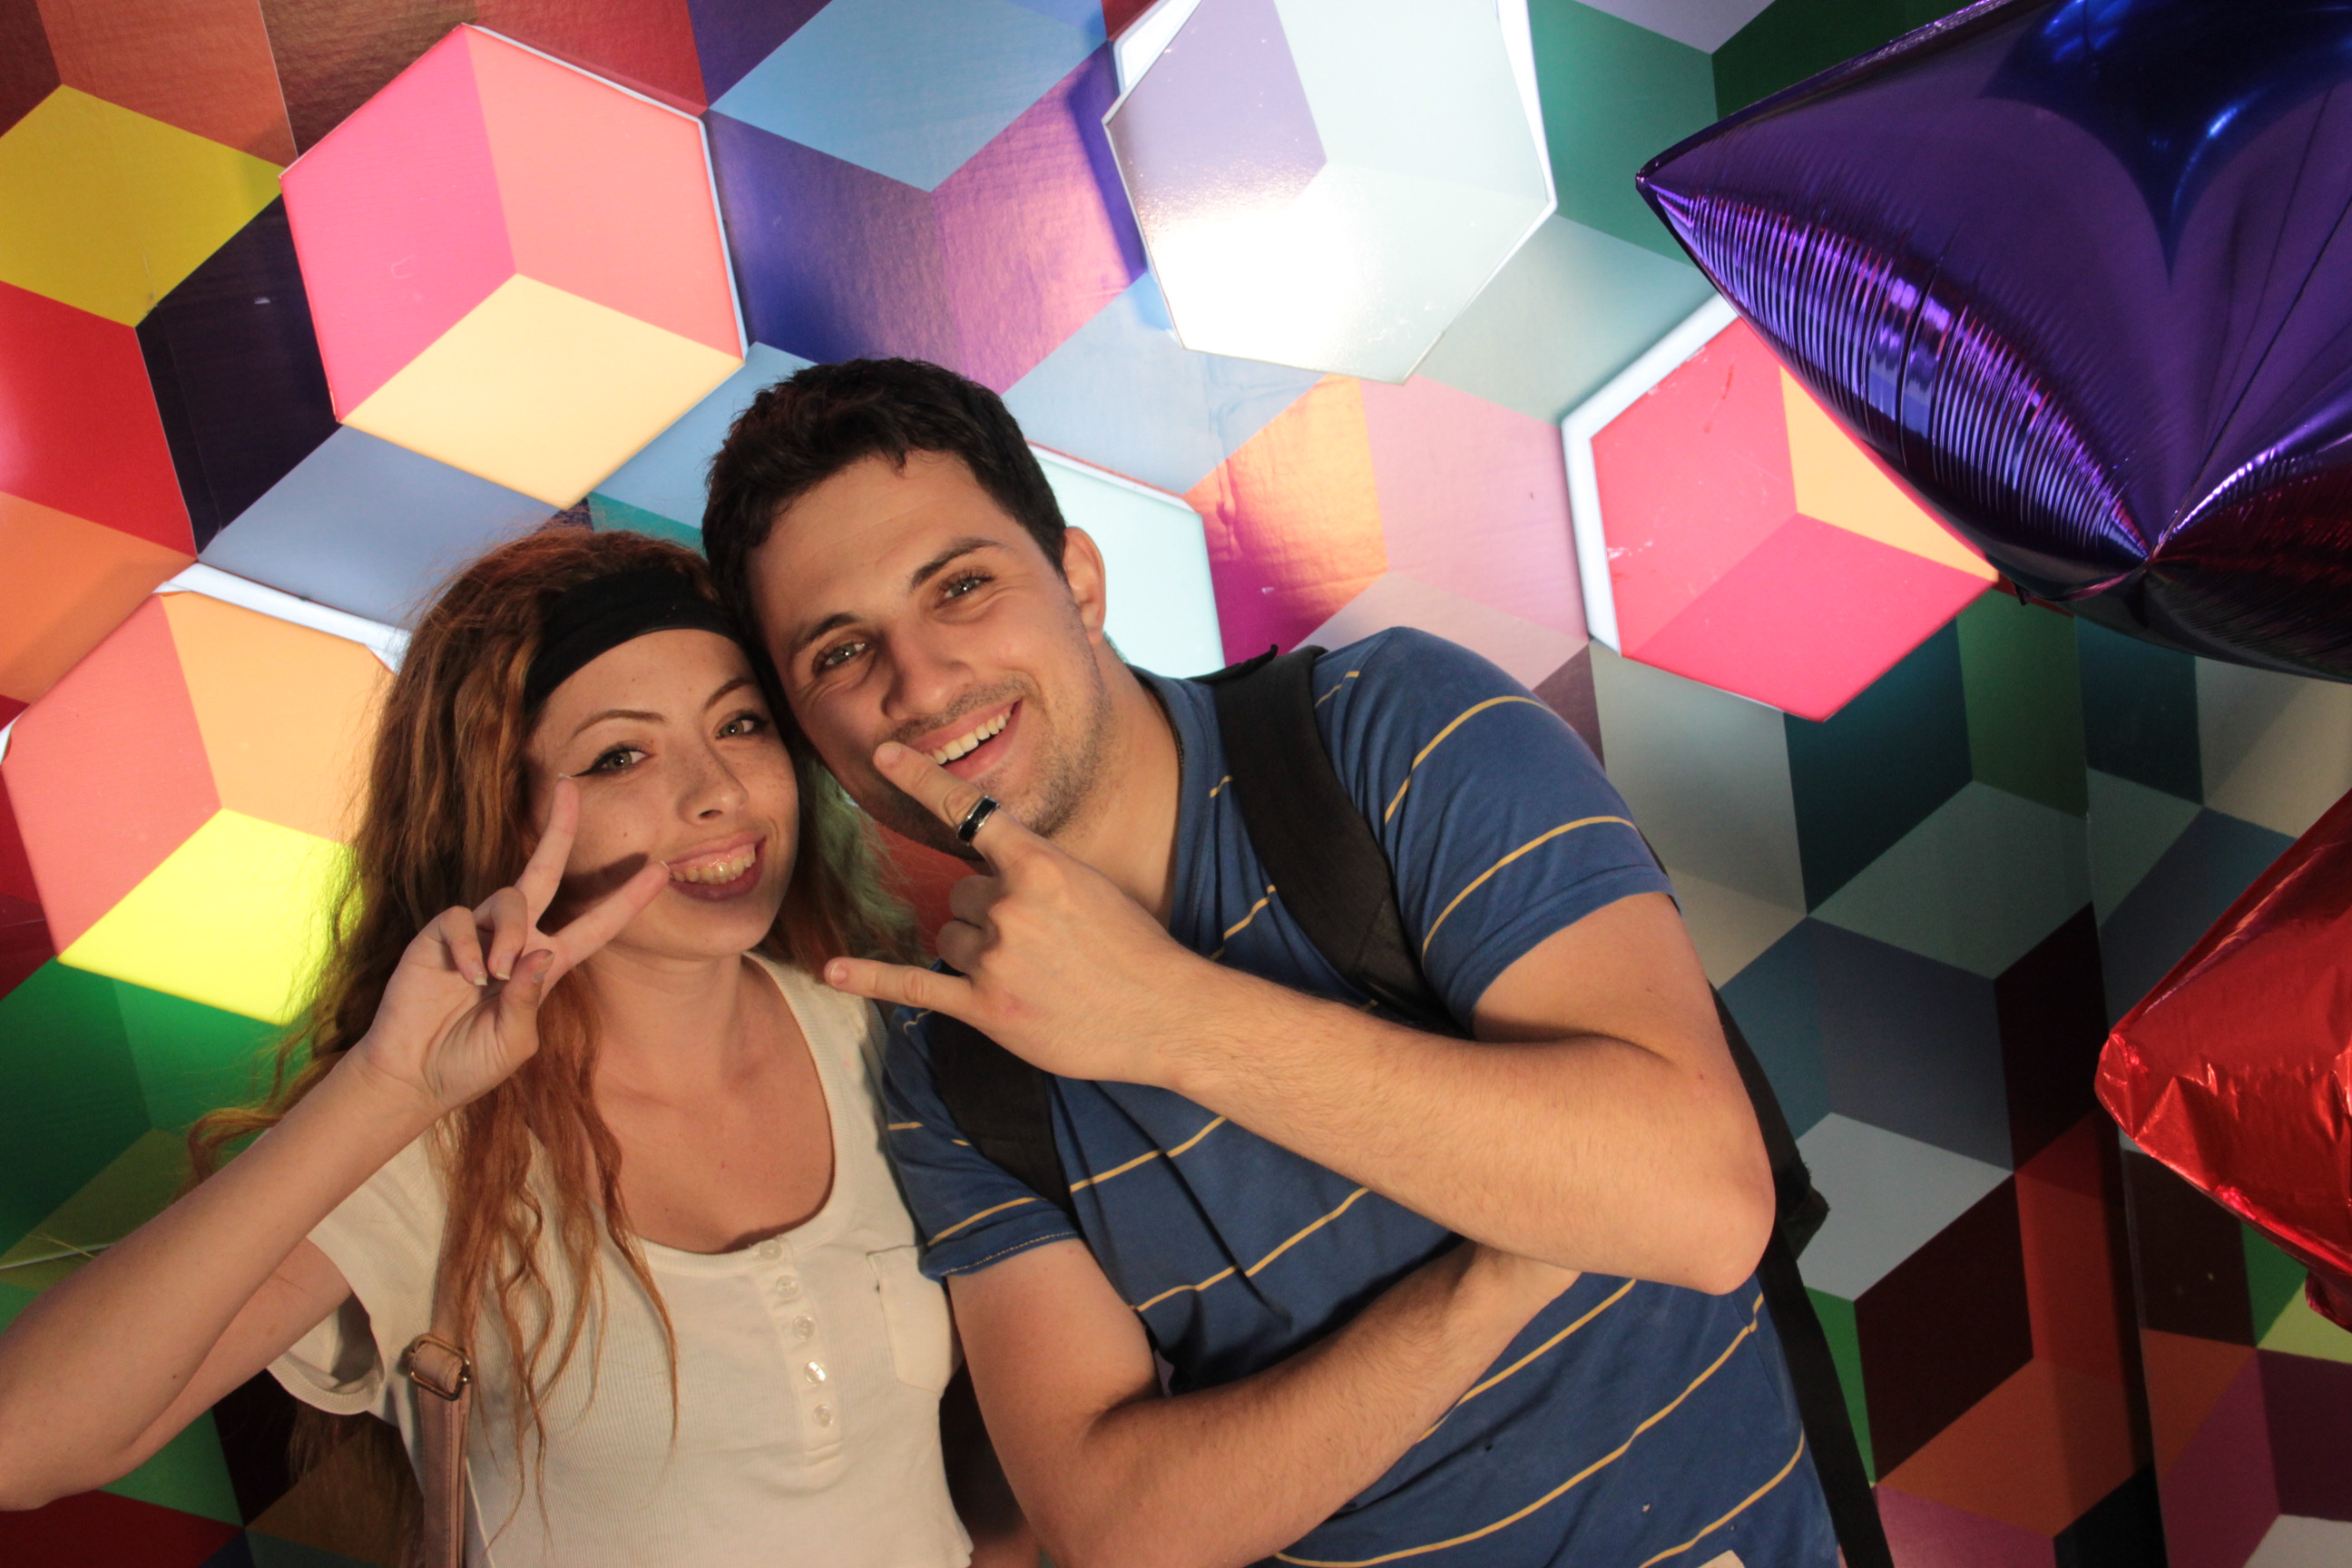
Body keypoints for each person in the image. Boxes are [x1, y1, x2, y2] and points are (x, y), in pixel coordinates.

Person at [699, 358, 1842, 1568]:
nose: (921, 683)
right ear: (811, 734)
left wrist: (1171, 1019)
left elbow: (1702, 1208)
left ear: (1078, 578)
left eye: (962, 586)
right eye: (839, 654)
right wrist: (1493, 1279)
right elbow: (1119, 1532)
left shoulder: (1389, 729)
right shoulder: (954, 1071)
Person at [0, 529, 1031, 1567]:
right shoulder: (433, 1140)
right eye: (621, 755)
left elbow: (1006, 1468)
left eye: (741, 723)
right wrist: (386, 1090)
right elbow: (23, 1446)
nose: (718, 789)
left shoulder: (891, 1044)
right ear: (503, 815)